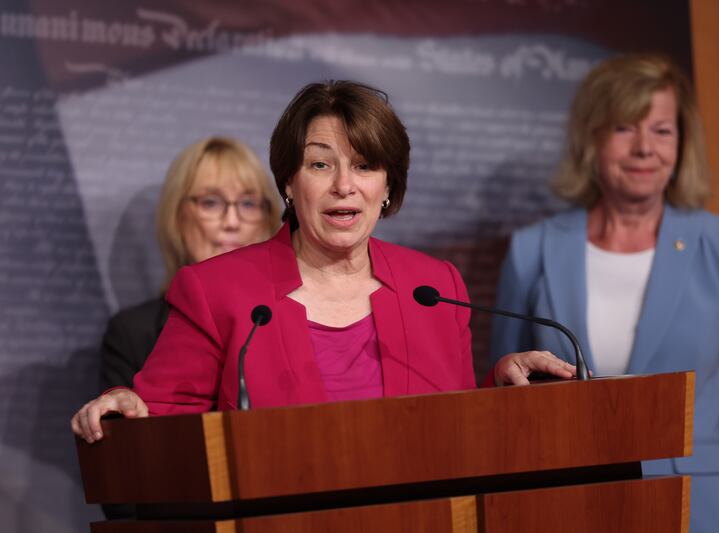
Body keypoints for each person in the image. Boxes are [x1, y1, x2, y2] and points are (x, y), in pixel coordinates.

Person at [73, 81, 577, 439]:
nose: (343, 184)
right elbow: (162, 420)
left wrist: (502, 384)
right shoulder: (217, 291)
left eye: (364, 165)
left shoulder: (434, 287)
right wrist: (128, 410)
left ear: (387, 187)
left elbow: (454, 424)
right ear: (290, 183)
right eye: (320, 164)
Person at [490, 53, 719, 532]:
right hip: (569, 504)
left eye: (662, 130)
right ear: (592, 138)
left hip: (698, 505)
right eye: (625, 128)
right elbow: (506, 391)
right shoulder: (532, 250)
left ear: (681, 143)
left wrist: (693, 447)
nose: (645, 147)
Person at [101, 137, 283, 391]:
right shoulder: (134, 334)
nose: (232, 221)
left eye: (248, 204)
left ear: (268, 218)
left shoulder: (301, 316)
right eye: (211, 202)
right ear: (177, 216)